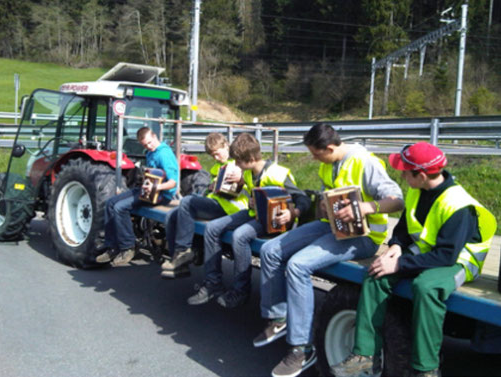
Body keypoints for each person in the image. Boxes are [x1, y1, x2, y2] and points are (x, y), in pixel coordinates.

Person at [330, 142, 497, 377]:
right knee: (376, 275)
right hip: (427, 253)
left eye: (405, 171)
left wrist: (399, 264)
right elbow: (404, 228)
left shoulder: (458, 205)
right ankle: (364, 355)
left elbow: (446, 255)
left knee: (426, 287)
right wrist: (396, 247)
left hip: (458, 261)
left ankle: (427, 369)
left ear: (420, 175)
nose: (401, 174)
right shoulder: (417, 190)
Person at [253, 123, 404, 377]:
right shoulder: (328, 163)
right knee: (270, 250)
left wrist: (366, 208)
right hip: (331, 227)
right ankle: (279, 318)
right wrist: (324, 205)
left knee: (298, 265)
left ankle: (302, 348)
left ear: (331, 147)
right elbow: (329, 196)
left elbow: (397, 200)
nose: (313, 158)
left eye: (316, 153)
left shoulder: (365, 162)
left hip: (364, 236)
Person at [187, 132, 311, 309]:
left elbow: (303, 199)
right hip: (255, 213)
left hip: (274, 221)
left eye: (238, 161)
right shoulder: (249, 173)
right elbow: (249, 193)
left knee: (240, 236)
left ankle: (241, 290)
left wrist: (293, 213)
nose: (236, 165)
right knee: (212, 228)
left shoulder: (278, 173)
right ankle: (212, 282)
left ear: (251, 158)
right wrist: (251, 198)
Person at [162, 132, 249, 278]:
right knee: (172, 215)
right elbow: (213, 188)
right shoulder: (218, 166)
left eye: (217, 153)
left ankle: (184, 251)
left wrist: (241, 179)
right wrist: (211, 187)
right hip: (215, 202)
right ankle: (177, 259)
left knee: (187, 202)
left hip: (230, 208)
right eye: (212, 155)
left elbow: (250, 184)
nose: (215, 157)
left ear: (226, 146)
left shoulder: (238, 164)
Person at [95, 127, 179, 267]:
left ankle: (128, 246)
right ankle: (112, 246)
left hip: (161, 195)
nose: (149, 147)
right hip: (148, 190)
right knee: (110, 203)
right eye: (145, 145)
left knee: (120, 208)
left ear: (155, 136)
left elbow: (173, 183)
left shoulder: (164, 154)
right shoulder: (150, 153)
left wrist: (156, 187)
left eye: (150, 143)